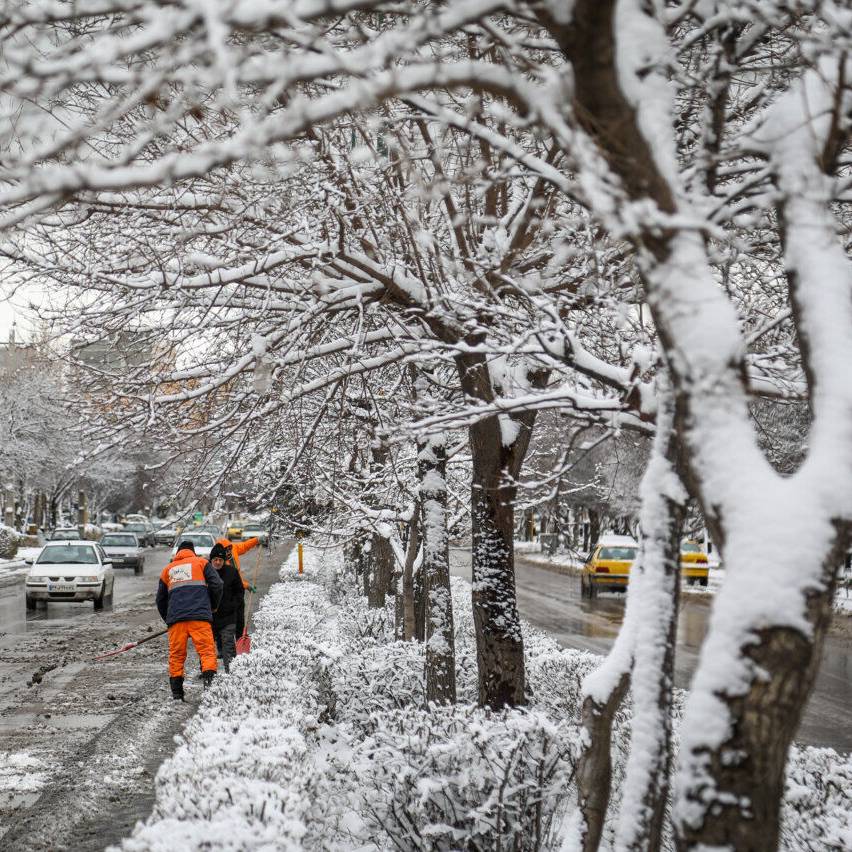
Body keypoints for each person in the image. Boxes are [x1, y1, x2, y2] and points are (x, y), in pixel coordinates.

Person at [156, 540, 223, 701]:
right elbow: (218, 585)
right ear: (192, 551)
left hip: (176, 621)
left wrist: (169, 619)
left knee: (176, 656)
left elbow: (160, 599)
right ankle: (209, 690)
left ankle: (178, 695)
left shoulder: (167, 570)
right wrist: (212, 607)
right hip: (200, 618)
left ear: (178, 552)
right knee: (207, 652)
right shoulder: (202, 563)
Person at [209, 542, 244, 673]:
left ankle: (231, 673)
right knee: (207, 647)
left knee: (228, 645)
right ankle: (208, 673)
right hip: (209, 617)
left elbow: (240, 592)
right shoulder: (205, 571)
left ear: (224, 560)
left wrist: (232, 605)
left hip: (227, 617)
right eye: (215, 560)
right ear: (211, 560)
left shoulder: (232, 572)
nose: (217, 562)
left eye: (220, 560)